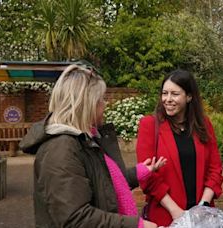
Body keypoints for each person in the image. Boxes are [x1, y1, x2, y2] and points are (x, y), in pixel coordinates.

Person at [19, 64, 166, 228]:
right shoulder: (61, 148)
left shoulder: (85, 139)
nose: (105, 105)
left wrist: (139, 172)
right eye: (101, 99)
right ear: (86, 104)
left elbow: (103, 184)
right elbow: (75, 218)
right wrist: (137, 225)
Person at [136, 69, 223, 226]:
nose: (167, 99)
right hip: (167, 216)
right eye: (164, 93)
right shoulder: (149, 125)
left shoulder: (203, 125)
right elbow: (147, 176)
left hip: (202, 218)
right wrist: (175, 211)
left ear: (189, 96)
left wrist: (203, 206)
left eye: (174, 94)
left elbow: (215, 168)